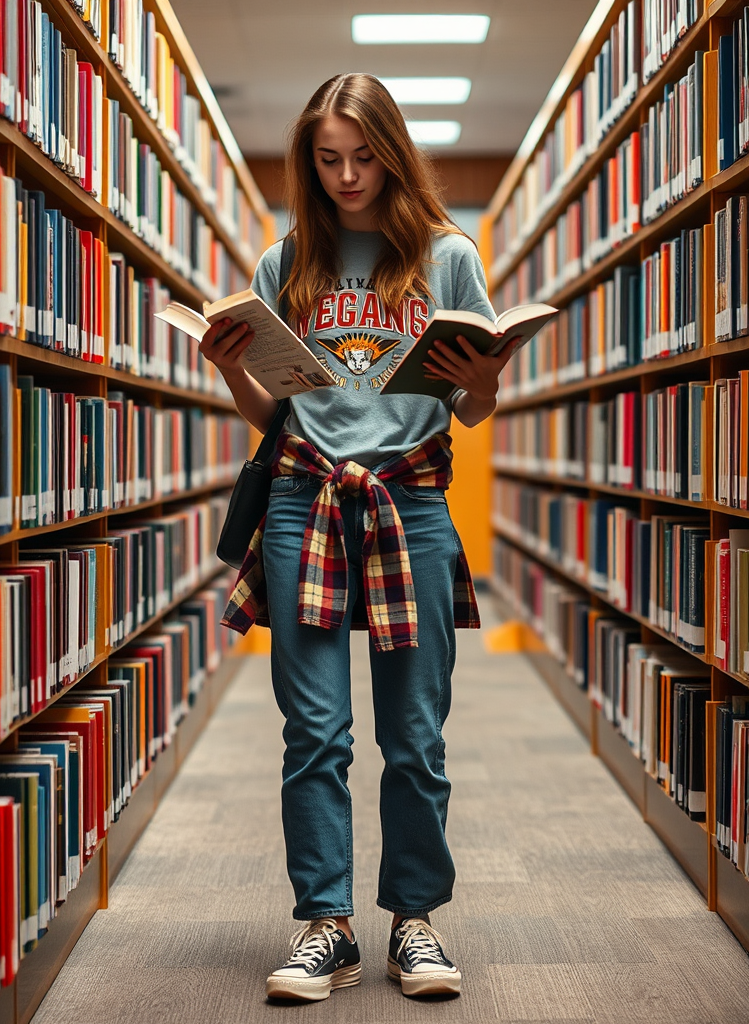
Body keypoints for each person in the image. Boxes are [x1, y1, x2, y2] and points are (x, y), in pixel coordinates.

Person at [199, 73, 517, 1003]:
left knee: (415, 734)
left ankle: (415, 921)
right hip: (302, 500)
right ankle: (326, 926)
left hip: (408, 503)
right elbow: (274, 414)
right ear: (309, 163)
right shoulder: (286, 263)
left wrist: (482, 380)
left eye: (365, 156)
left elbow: (473, 410)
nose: (347, 176)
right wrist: (230, 372)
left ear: (394, 154)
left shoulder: (447, 258)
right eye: (329, 159)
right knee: (314, 732)